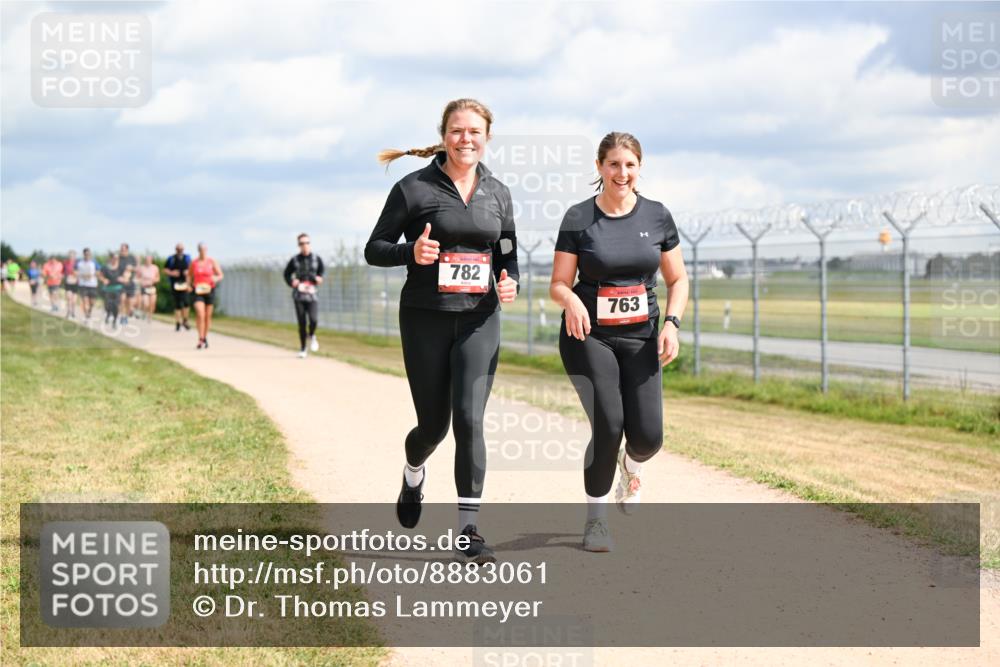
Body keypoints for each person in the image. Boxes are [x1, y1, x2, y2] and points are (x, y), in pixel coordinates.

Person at [365, 98, 519, 564]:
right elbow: (374, 248)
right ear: (444, 135)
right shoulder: (414, 188)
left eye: (474, 131)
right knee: (434, 426)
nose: (465, 139)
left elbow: (507, 248)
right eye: (457, 131)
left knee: (470, 419)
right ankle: (414, 472)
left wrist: (509, 279)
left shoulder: (499, 192)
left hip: (480, 317)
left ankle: (468, 530)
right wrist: (411, 252)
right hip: (425, 317)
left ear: (487, 137)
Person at [549, 132, 689, 553]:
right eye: (613, 164)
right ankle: (596, 521)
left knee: (648, 438)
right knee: (609, 424)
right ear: (599, 167)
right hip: (588, 335)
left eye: (629, 165)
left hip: (642, 335)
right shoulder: (578, 218)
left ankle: (631, 467)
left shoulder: (658, 216)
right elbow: (558, 283)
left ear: (639, 167)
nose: (621, 173)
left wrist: (672, 323)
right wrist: (571, 299)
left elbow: (677, 279)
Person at [283, 233, 325, 358]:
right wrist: (292, 282)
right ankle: (303, 348)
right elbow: (286, 274)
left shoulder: (317, 259)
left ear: (309, 243)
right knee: (302, 322)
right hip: (299, 295)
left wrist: (319, 279)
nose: (304, 245)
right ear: (298, 245)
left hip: (312, 294)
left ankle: (311, 335)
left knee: (313, 319)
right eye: (302, 243)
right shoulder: (295, 260)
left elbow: (321, 274)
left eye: (307, 242)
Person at [190, 242, 223, 349]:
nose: (203, 252)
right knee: (200, 313)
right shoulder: (194, 263)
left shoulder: (211, 262)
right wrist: (188, 285)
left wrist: (216, 278)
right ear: (198, 250)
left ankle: (205, 337)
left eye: (205, 249)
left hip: (209, 290)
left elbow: (220, 274)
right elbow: (189, 276)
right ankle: (200, 338)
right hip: (198, 290)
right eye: (201, 249)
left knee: (208, 316)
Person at [164, 243, 192, 332]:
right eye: (178, 249)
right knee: (178, 304)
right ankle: (178, 322)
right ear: (176, 249)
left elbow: (191, 271)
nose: (180, 250)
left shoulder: (187, 258)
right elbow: (165, 269)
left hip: (184, 283)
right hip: (175, 284)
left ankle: (185, 320)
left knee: (186, 303)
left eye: (181, 249)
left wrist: (188, 279)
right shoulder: (171, 258)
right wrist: (172, 273)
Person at [98, 252, 125, 326]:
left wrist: (123, 278)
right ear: (111, 258)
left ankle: (115, 320)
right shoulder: (105, 267)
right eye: (114, 258)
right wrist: (103, 280)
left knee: (116, 305)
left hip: (117, 289)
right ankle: (108, 314)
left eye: (117, 258)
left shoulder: (121, 267)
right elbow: (100, 276)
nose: (116, 260)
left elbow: (126, 276)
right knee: (108, 305)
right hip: (108, 289)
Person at [76, 248, 99, 320]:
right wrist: (81, 275)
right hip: (83, 284)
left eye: (89, 254)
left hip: (92, 284)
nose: (87, 255)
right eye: (86, 254)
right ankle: (86, 315)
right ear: (84, 254)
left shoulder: (94, 262)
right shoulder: (79, 262)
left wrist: (92, 275)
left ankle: (90, 311)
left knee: (92, 302)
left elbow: (99, 271)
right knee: (85, 300)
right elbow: (74, 271)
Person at [118, 242, 137, 324]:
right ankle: (123, 317)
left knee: (129, 303)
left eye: (124, 249)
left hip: (130, 283)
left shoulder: (132, 258)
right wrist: (118, 278)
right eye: (121, 249)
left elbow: (136, 269)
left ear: (127, 249)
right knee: (122, 300)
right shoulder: (118, 258)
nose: (122, 251)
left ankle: (129, 313)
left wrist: (132, 268)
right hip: (121, 283)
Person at [137, 255, 160, 321]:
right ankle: (144, 313)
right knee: (145, 303)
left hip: (152, 287)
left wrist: (154, 280)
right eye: (147, 259)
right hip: (144, 287)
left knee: (152, 303)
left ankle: (150, 316)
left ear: (152, 260)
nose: (148, 261)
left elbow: (158, 278)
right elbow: (138, 277)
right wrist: (141, 281)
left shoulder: (155, 268)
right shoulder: (142, 268)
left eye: (149, 259)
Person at [62, 250, 79, 319]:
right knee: (69, 298)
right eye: (70, 255)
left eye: (72, 255)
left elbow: (80, 272)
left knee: (74, 300)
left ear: (75, 256)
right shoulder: (65, 263)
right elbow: (62, 272)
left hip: (75, 283)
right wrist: (64, 276)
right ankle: (68, 312)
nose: (71, 256)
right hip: (68, 282)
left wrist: (76, 275)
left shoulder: (78, 263)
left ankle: (73, 312)